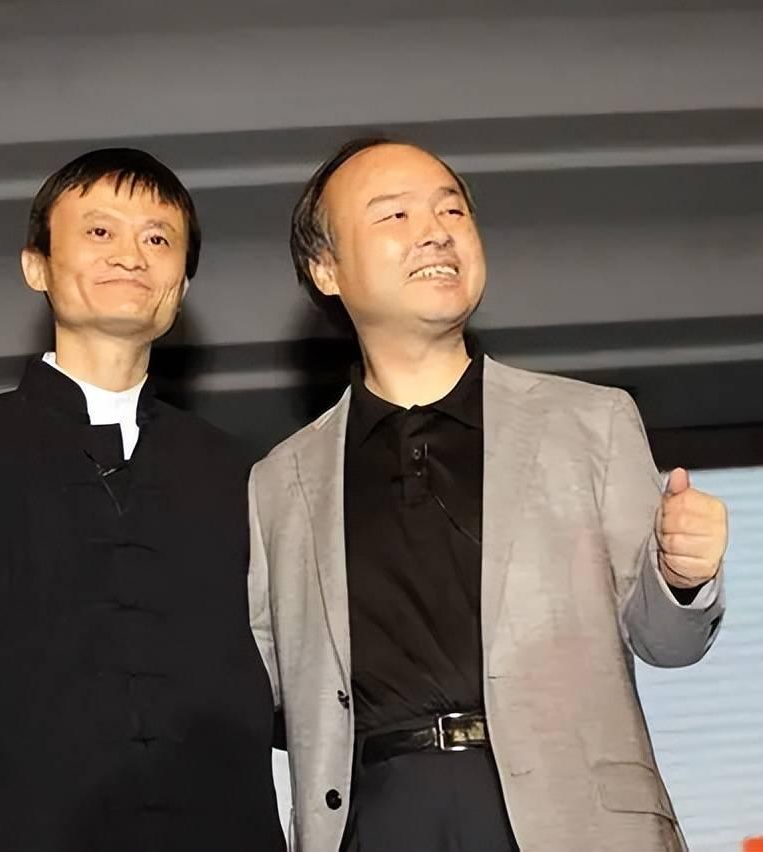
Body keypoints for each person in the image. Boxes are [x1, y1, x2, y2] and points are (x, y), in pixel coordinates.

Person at [248, 138, 728, 852]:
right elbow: (262, 692)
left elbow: (668, 640)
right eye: (395, 215)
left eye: (451, 210)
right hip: (376, 821)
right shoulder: (279, 482)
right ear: (326, 269)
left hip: (572, 821)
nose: (435, 231)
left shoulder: (590, 421)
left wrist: (682, 577)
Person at [0, 148, 284, 852]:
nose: (130, 255)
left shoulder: (242, 473)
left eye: (158, 239)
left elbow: (310, 690)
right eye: (99, 231)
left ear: (182, 284)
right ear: (36, 266)